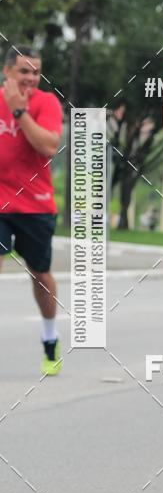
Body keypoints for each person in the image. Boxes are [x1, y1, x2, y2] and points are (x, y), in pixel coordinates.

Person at [0, 45, 63, 375]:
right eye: (24, 71)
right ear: (7, 71)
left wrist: (19, 112)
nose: (31, 78)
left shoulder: (46, 103)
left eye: (36, 72)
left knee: (40, 274)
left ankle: (50, 339)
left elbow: (48, 145)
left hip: (35, 205)